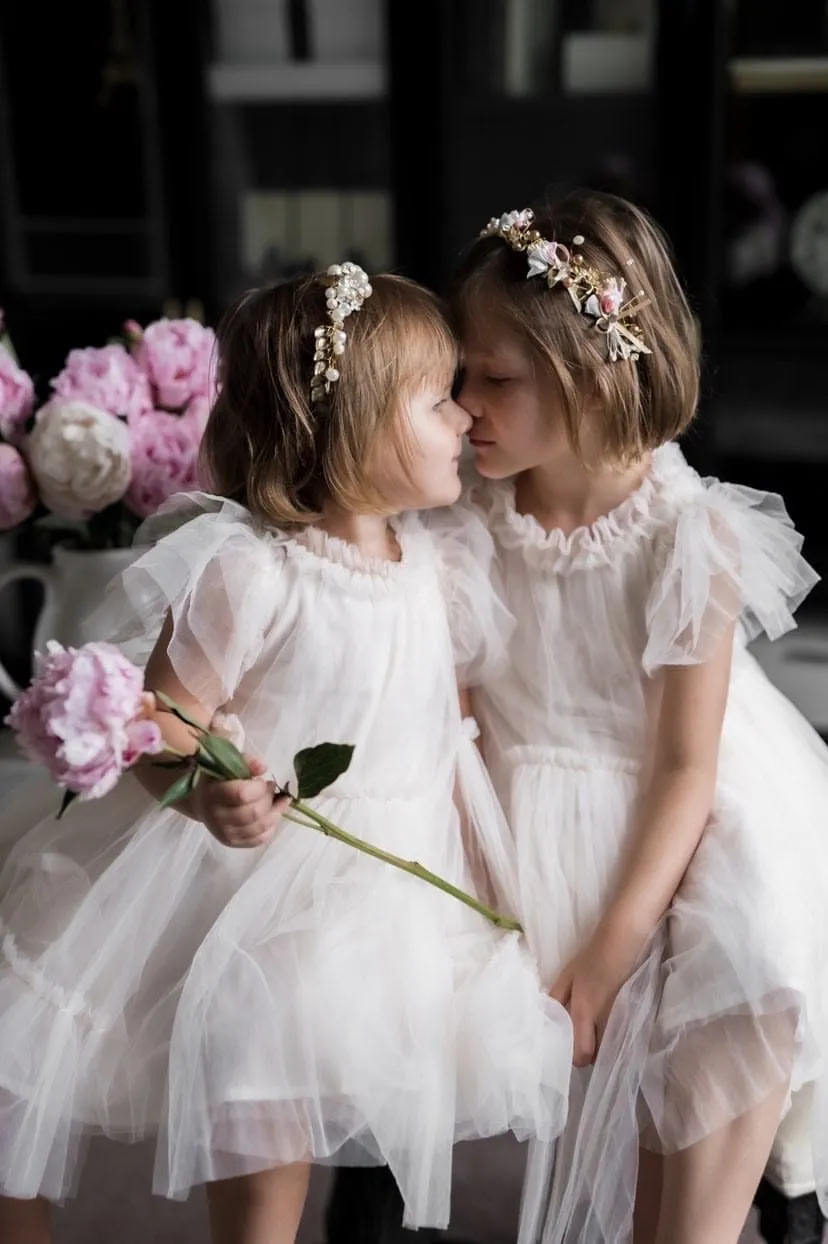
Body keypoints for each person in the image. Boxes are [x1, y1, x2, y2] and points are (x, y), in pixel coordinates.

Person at [0, 264, 571, 1244]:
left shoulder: (440, 565)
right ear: (354, 422)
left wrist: (489, 878)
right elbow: (163, 720)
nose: (465, 417)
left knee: (354, 1112)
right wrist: (209, 793)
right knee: (258, 1142)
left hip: (391, 900)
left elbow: (452, 733)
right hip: (255, 904)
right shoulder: (254, 570)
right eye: (437, 400)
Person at [444, 189, 828, 1244]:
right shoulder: (468, 512)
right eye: (458, 371)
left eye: (494, 376)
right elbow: (458, 720)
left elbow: (681, 771)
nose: (462, 400)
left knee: (739, 956)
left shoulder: (682, 536)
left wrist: (611, 949)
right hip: (525, 807)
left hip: (678, 808)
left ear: (590, 372)